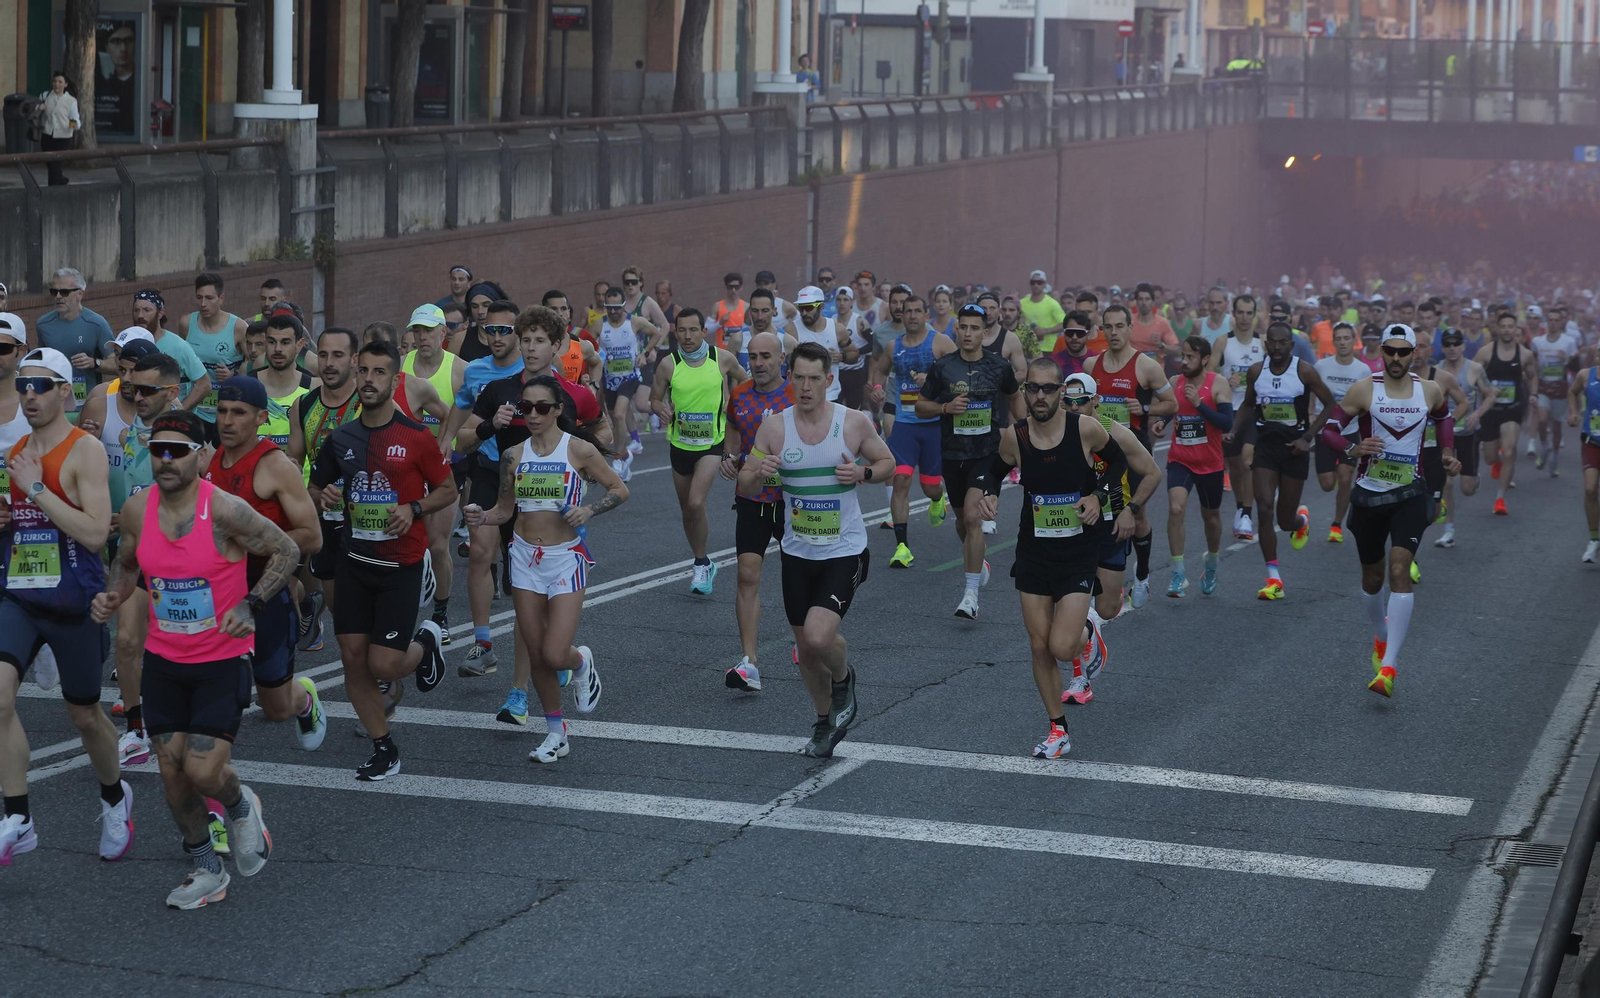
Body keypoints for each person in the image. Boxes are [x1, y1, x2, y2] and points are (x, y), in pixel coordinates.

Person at [92, 409, 299, 905]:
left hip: (220, 660)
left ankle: (241, 804)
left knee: (204, 771)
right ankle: (208, 869)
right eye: (158, 449)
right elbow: (125, 561)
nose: (165, 459)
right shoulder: (140, 510)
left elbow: (286, 550)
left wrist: (252, 603)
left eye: (177, 451)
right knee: (172, 776)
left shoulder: (225, 510)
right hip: (164, 661)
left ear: (200, 456)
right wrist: (114, 596)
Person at [0, 347, 126, 867]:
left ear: (65, 391)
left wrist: (34, 487)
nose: (29, 394)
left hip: (75, 599)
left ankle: (115, 797)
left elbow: (96, 533)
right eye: (24, 385)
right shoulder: (17, 451)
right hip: (20, 596)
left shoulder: (84, 451)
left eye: (41, 385)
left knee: (85, 714)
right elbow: (22, 522)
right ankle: (18, 816)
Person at [738, 342, 895, 758]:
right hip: (797, 552)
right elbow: (745, 484)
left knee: (819, 634)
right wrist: (760, 474)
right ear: (790, 379)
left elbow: (887, 464)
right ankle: (825, 721)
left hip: (844, 549)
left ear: (829, 380)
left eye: (814, 379)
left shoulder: (853, 422)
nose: (805, 387)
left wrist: (863, 471)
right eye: (798, 378)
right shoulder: (773, 428)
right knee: (807, 650)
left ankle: (844, 680)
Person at [455, 305, 609, 726]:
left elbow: (603, 434)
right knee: (488, 559)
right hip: (499, 484)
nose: (532, 347)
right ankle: (497, 658)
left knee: (535, 612)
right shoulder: (500, 390)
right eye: (526, 340)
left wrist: (585, 472)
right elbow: (463, 439)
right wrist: (490, 426)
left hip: (550, 511)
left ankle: (522, 688)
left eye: (540, 340)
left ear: (557, 345)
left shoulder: (573, 394)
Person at [308, 341, 452, 780]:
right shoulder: (342, 437)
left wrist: (415, 509)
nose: (369, 379)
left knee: (384, 664)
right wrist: (324, 495)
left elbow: (447, 490)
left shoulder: (416, 437)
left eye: (379, 373)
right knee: (353, 657)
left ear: (394, 381)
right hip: (353, 562)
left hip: (399, 567)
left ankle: (425, 644)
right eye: (364, 371)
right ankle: (383, 747)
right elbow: (316, 488)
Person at [464, 374, 623, 763]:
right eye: (526, 408)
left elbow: (619, 489)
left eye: (541, 408)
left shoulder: (580, 450)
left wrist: (589, 509)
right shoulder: (513, 455)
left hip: (564, 558)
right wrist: (479, 517)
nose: (532, 415)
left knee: (555, 653)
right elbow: (504, 510)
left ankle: (581, 661)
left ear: (557, 410)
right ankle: (556, 732)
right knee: (536, 654)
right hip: (523, 559)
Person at [979, 357, 1123, 758]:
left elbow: (1119, 463)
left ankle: (1087, 637)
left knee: (1062, 646)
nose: (1040, 396)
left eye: (1048, 389)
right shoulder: (1016, 437)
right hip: (1034, 551)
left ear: (1061, 392)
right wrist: (989, 493)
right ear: (1024, 392)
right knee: (1039, 645)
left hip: (1078, 552)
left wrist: (1097, 496)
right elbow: (992, 471)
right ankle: (1058, 729)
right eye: (1032, 388)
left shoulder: (1085, 430)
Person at [1319, 325, 1456, 698]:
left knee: (1400, 568)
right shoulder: (1365, 388)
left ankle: (1390, 667)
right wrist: (1353, 448)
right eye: (1390, 352)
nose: (1396, 358)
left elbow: (1444, 417)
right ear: (1381, 352)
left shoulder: (1429, 390)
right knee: (1372, 577)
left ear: (1414, 353)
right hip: (1368, 496)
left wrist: (1448, 452)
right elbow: (1330, 428)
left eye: (1403, 352)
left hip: (1411, 493)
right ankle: (1380, 635)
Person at [205, 378, 326, 750]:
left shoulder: (275, 466)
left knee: (276, 708)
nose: (227, 421)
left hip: (267, 593)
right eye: (222, 411)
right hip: (219, 597)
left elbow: (312, 534)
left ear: (260, 418)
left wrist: (256, 543)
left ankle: (303, 697)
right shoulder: (210, 459)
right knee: (210, 695)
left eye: (238, 413)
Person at [916, 304, 1021, 619]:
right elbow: (921, 406)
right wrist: (945, 408)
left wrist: (1025, 430)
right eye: (964, 327)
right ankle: (979, 561)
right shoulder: (943, 367)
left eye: (976, 328)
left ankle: (970, 596)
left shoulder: (999, 366)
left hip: (987, 454)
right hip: (952, 455)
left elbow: (1015, 395)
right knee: (963, 523)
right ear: (956, 329)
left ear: (984, 332)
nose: (969, 333)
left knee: (974, 520)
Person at [441, 302, 524, 674]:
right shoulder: (475, 371)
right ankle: (483, 644)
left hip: (530, 479)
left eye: (504, 330)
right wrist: (445, 443)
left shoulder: (536, 371)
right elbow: (460, 412)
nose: (495, 337)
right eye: (490, 330)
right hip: (490, 471)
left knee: (525, 564)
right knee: (478, 554)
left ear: (519, 333)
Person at [1228, 321, 1337, 600]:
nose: (1277, 348)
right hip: (1266, 448)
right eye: (1272, 343)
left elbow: (1330, 405)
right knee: (1264, 509)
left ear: (1291, 344)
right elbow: (1249, 404)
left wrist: (1308, 438)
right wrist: (1234, 430)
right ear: (1266, 345)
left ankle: (1300, 521)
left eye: (1282, 343)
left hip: (1294, 450)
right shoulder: (1257, 371)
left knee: (1285, 520)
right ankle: (1273, 578)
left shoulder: (1304, 371)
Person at [1086, 303, 1176, 608]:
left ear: (1129, 328)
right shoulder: (1090, 366)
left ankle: (1142, 574)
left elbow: (1172, 404)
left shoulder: (1146, 366)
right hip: (1099, 453)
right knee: (1099, 510)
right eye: (1107, 327)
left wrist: (1146, 409)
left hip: (1134, 449)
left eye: (1119, 326)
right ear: (1102, 330)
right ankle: (1106, 575)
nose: (1113, 332)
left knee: (1136, 516)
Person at [652, 308, 747, 594]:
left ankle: (701, 564)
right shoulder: (669, 364)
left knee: (695, 503)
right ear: (676, 332)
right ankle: (702, 563)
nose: (688, 336)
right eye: (682, 330)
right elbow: (654, 399)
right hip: (680, 445)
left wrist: (733, 405)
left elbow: (745, 383)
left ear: (703, 331)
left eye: (693, 330)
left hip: (711, 444)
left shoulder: (722, 359)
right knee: (686, 510)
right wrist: (662, 410)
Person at [722, 332, 794, 691]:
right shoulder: (740, 395)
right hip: (752, 498)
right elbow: (733, 430)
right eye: (753, 357)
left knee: (800, 575)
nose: (759, 363)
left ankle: (809, 640)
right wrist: (730, 458)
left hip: (794, 501)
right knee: (747, 576)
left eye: (767, 355)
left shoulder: (798, 393)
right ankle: (750, 662)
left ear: (782, 358)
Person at [286, 328, 363, 657]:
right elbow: (294, 461)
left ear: (354, 360)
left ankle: (381, 672)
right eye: (325, 355)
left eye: (339, 356)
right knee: (342, 617)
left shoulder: (370, 403)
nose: (329, 364)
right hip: (326, 521)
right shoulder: (303, 406)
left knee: (364, 612)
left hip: (369, 523)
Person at [869, 295, 955, 568]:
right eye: (908, 311)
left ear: (925, 314)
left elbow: (960, 374)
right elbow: (879, 371)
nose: (913, 316)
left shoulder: (939, 341)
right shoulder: (894, 347)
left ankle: (938, 498)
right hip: (906, 424)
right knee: (901, 480)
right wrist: (877, 388)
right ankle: (902, 547)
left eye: (919, 311)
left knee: (929, 486)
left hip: (933, 424)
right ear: (902, 315)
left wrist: (932, 378)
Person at [402, 303, 466, 639]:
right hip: (405, 471)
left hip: (443, 470)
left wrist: (451, 440)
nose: (422, 337)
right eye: (417, 330)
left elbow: (470, 422)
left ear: (444, 332)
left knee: (438, 545)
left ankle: (441, 615)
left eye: (429, 330)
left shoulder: (459, 371)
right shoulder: (401, 367)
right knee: (408, 545)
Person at [1163, 337, 1232, 597]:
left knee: (1211, 518)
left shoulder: (1218, 384)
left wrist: (1200, 405)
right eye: (1183, 355)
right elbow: (1171, 408)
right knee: (1175, 507)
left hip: (1209, 462)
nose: (1185, 361)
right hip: (1180, 458)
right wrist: (1163, 421)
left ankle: (1211, 561)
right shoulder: (1174, 383)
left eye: (1191, 357)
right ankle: (1178, 574)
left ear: (1204, 359)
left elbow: (1227, 424)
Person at [590, 286, 663, 480]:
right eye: (609, 307)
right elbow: (586, 346)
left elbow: (656, 333)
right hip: (609, 378)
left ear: (624, 305)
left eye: (617, 307)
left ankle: (619, 457)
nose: (613, 311)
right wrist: (595, 361)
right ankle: (626, 462)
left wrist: (645, 353)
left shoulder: (635, 322)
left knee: (620, 414)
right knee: (615, 417)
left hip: (630, 376)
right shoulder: (598, 325)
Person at [1433, 328, 1496, 549]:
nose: (1451, 348)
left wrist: (1477, 413)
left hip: (1468, 433)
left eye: (1455, 344)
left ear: (1462, 346)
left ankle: (1474, 477)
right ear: (1442, 348)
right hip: (1443, 434)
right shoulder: (1436, 371)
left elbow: (1490, 394)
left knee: (1467, 488)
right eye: (1447, 344)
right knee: (1448, 481)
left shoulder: (1475, 369)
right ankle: (1449, 530)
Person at [1209, 294, 1263, 540]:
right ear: (1234, 314)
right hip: (1229, 409)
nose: (1244, 318)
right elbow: (1209, 375)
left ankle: (1246, 514)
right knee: (1235, 466)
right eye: (1239, 312)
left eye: (1248, 313)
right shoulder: (1223, 342)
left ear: (1255, 315)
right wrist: (1224, 379)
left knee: (1247, 460)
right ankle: (1241, 507)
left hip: (1253, 410)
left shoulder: (1262, 343)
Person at [1312, 323, 1369, 543]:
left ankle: (1336, 524)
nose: (1343, 342)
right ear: (1333, 341)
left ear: (1354, 341)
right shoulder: (1321, 366)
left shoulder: (1362, 370)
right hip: (1324, 430)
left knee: (1345, 478)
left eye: (1347, 338)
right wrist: (1310, 413)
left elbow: (1365, 402)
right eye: (1339, 338)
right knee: (1327, 484)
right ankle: (1335, 477)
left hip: (1349, 431)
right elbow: (1312, 392)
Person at [178, 272, 248, 443]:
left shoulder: (238, 327)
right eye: (199, 298)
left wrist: (234, 375)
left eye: (209, 298)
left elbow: (255, 365)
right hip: (196, 407)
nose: (203, 304)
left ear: (221, 298)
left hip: (225, 409)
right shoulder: (186, 323)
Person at [33, 268, 116, 412]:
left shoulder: (97, 324)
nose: (58, 296)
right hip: (53, 406)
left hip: (86, 406)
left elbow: (116, 364)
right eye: (54, 292)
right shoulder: (43, 324)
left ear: (80, 294)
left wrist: (94, 362)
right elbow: (41, 363)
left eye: (64, 292)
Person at [1481, 311, 1538, 515]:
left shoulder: (1524, 354)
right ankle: (1495, 463)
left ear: (1516, 329)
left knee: (1509, 451)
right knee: (1489, 457)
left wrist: (1534, 394)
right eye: (1503, 326)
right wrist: (1485, 391)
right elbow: (1473, 376)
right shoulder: (1486, 352)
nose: (1506, 330)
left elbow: (1532, 376)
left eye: (1510, 326)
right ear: (1497, 328)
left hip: (1512, 409)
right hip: (1490, 410)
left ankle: (1500, 499)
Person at [130, 289, 211, 412]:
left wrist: (179, 411)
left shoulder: (179, 346)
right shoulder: (128, 342)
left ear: (160, 313)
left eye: (147, 310)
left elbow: (204, 384)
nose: (140, 316)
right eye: (136, 310)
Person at [1530, 316, 1582, 475]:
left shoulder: (1568, 342)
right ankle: (1545, 446)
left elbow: (1576, 366)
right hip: (1544, 386)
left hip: (1560, 387)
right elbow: (1532, 363)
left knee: (1557, 426)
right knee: (1542, 418)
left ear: (1561, 323)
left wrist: (1565, 359)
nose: (1553, 322)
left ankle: (1555, 458)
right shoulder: (1537, 341)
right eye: (1550, 320)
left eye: (1556, 320)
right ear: (1546, 322)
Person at [1569, 363, 1600, 564]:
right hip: (1592, 441)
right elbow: (1573, 392)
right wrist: (1574, 412)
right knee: (1590, 490)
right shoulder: (1585, 375)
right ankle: (1594, 539)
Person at [37, 72, 80, 187]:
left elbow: (75, 119)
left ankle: (52, 189)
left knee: (56, 164)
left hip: (64, 137)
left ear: (65, 84)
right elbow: (33, 111)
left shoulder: (71, 100)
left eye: (60, 82)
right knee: (51, 165)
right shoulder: (44, 96)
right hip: (47, 135)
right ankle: (60, 180)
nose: (57, 84)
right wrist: (39, 108)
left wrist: (73, 124)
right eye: (55, 81)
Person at [1020, 270, 1067, 352]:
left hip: (1047, 348)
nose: (1036, 285)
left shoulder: (1052, 303)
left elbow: (1064, 323)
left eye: (1039, 282)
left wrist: (1046, 331)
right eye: (1033, 282)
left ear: (1044, 284)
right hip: (1026, 348)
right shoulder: (1022, 303)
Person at [708, 273, 751, 360]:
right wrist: (720, 323)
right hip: (723, 353)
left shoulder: (747, 307)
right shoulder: (717, 306)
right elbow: (706, 330)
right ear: (726, 287)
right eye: (730, 287)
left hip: (741, 352)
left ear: (741, 287)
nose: (733, 290)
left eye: (736, 287)